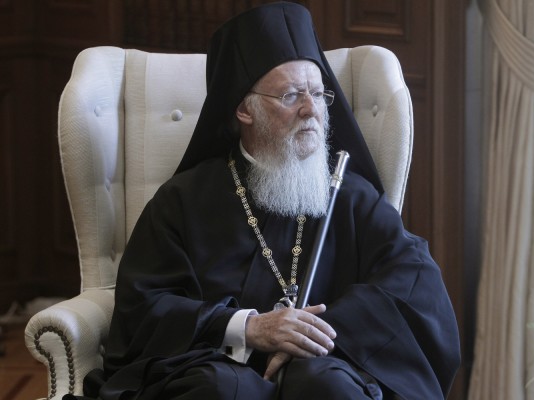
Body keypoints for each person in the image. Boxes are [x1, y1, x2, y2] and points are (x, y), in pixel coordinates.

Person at [70, 2, 460, 399]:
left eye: (317, 93)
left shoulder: (350, 195)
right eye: (291, 95)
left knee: (323, 383)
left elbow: (414, 282)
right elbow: (144, 306)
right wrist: (247, 327)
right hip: (216, 368)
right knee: (225, 388)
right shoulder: (183, 200)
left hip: (324, 365)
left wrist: (316, 333)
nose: (311, 109)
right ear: (244, 109)